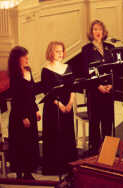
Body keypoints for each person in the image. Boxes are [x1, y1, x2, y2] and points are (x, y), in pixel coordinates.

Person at [41, 41, 77, 175]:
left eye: (61, 51)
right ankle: (55, 167)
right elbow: (47, 91)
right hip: (53, 108)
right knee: (55, 135)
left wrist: (70, 103)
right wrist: (60, 105)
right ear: (51, 53)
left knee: (68, 134)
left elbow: (73, 87)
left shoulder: (67, 67)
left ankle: (69, 165)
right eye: (57, 51)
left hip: (68, 106)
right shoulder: (46, 69)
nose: (60, 54)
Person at [81, 20, 115, 155]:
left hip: (109, 90)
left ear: (104, 31)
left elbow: (114, 68)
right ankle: (95, 152)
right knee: (95, 123)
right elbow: (86, 71)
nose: (98, 32)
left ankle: (108, 153)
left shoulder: (110, 47)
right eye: (95, 29)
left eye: (100, 29)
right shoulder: (86, 49)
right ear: (91, 32)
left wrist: (111, 84)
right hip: (94, 91)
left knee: (108, 122)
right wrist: (98, 86)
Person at [7, 46, 40, 180]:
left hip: (31, 111)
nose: (27, 59)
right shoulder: (15, 75)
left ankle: (28, 170)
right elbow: (17, 99)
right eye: (24, 56)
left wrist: (36, 109)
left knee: (31, 142)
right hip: (19, 115)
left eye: (27, 56)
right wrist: (23, 117)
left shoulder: (29, 71)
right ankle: (21, 172)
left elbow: (31, 94)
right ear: (17, 59)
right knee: (21, 143)